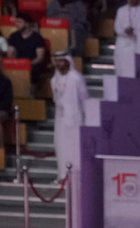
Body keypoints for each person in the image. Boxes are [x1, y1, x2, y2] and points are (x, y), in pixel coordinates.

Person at [50, 51, 88, 184]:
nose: (58, 63)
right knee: (60, 146)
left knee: (74, 148)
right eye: (56, 61)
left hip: (75, 118)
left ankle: (75, 177)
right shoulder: (54, 80)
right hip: (60, 119)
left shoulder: (76, 78)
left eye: (61, 60)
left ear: (67, 61)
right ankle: (62, 176)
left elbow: (85, 99)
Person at [113, 0, 140, 78]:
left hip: (137, 44)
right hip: (123, 44)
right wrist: (125, 31)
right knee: (121, 70)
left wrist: (135, 31)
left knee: (135, 71)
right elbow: (117, 27)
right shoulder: (121, 10)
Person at [6, 15, 47, 89]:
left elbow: (39, 58)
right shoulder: (13, 36)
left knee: (35, 71)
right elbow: (10, 54)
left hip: (32, 65)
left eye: (20, 22)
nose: (17, 24)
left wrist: (27, 65)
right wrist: (17, 64)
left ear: (27, 24)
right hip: (17, 64)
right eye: (16, 22)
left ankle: (31, 94)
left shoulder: (37, 38)